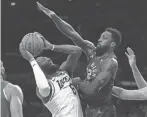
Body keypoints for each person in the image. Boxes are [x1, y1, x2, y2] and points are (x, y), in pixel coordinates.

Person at [37, 2, 122, 117]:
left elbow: (92, 90)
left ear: (112, 44)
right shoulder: (92, 51)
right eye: (101, 36)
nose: (100, 39)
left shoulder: (110, 62)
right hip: (88, 109)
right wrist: (53, 16)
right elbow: (72, 34)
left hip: (104, 111)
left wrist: (78, 82)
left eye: (104, 38)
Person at [19, 32, 83, 117]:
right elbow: (44, 87)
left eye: (47, 58)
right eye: (44, 60)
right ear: (40, 69)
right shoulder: (42, 88)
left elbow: (77, 51)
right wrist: (31, 60)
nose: (48, 59)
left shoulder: (63, 71)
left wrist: (52, 47)